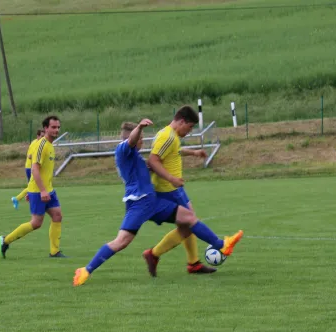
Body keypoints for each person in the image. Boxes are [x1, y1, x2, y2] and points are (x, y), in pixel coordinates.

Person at [73, 118, 243, 287]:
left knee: (189, 218)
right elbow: (131, 140)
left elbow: (171, 151)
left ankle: (221, 245)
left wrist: (192, 153)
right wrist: (139, 127)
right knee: (122, 241)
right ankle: (86, 270)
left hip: (152, 202)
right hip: (139, 203)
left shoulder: (134, 156)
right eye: (141, 139)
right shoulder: (123, 149)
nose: (142, 142)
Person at [145, 105, 215, 274]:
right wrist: (171, 179)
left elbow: (174, 151)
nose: (189, 132)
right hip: (168, 188)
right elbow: (153, 161)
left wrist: (193, 153)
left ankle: (193, 263)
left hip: (175, 188)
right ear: (182, 121)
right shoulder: (167, 136)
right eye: (190, 127)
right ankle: (154, 254)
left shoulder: (171, 135)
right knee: (190, 222)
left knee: (189, 222)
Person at [0, 116, 67, 258]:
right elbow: (35, 169)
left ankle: (54, 252)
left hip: (49, 190)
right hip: (39, 191)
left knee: (57, 216)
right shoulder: (42, 145)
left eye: (58, 127)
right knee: (36, 223)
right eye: (53, 127)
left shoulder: (50, 145)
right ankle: (5, 240)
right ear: (46, 128)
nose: (57, 130)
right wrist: (41, 191)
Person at [11, 128, 45, 209]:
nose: (43, 138)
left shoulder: (39, 143)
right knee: (34, 186)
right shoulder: (36, 144)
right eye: (42, 136)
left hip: (32, 167)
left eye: (44, 136)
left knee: (35, 186)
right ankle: (17, 198)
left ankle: (27, 198)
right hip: (31, 168)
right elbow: (29, 156)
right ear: (38, 136)